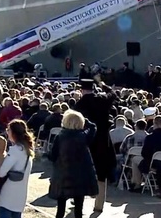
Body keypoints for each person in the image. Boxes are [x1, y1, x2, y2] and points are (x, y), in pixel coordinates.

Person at [74, 75, 117, 212]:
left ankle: (79, 202)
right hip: (103, 140)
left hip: (85, 140)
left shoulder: (79, 105)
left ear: (82, 90)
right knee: (101, 173)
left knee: (81, 171)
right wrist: (103, 84)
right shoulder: (102, 99)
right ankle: (99, 204)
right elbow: (113, 94)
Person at [48, 110, 98, 218]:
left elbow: (52, 155)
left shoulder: (60, 137)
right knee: (79, 209)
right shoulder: (83, 137)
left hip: (63, 173)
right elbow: (93, 128)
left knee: (60, 209)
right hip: (80, 175)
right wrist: (86, 121)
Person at [0, 119, 34, 218]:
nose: (7, 132)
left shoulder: (15, 151)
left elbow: (1, 173)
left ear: (13, 132)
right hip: (20, 196)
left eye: (8, 130)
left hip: (8, 195)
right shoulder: (27, 150)